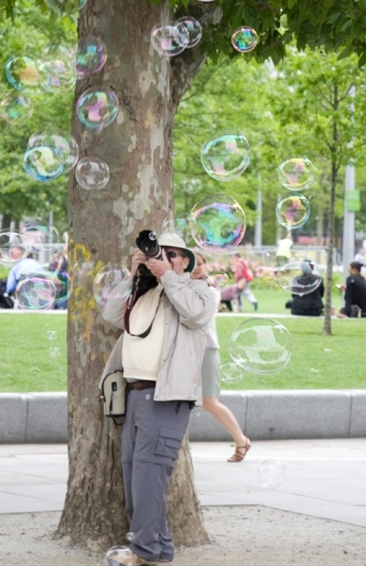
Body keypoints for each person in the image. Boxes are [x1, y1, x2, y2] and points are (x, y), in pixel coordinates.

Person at [99, 232, 214, 566]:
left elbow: (196, 315)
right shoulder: (144, 292)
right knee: (136, 475)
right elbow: (111, 315)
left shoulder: (197, 291)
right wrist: (134, 274)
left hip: (166, 396)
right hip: (135, 394)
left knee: (149, 475)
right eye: (160, 253)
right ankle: (158, 547)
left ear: (185, 262)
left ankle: (143, 551)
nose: (164, 258)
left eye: (172, 254)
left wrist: (167, 276)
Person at [192, 251, 252, 462]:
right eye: (192, 263)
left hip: (206, 349)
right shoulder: (182, 287)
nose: (196, 267)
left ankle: (241, 440)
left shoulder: (211, 291)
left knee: (209, 401)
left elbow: (198, 317)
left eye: (200, 263)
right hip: (186, 350)